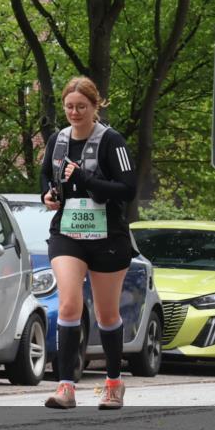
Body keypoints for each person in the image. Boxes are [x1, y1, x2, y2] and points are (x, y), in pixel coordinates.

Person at [40, 77, 137, 410]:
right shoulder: (58, 140)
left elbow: (127, 188)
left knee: (107, 315)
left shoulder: (112, 141)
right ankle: (65, 386)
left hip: (108, 236)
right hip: (67, 233)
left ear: (96, 106)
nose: (75, 112)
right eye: (69, 107)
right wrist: (49, 195)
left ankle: (113, 383)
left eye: (82, 107)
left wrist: (86, 179)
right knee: (68, 305)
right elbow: (46, 176)